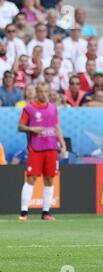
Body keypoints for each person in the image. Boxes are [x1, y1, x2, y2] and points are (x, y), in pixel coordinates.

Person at [18, 82, 67, 221]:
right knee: (31, 178)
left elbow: (57, 127)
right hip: (36, 148)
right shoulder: (29, 108)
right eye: (41, 91)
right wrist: (32, 129)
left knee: (50, 179)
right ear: (37, 92)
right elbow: (20, 126)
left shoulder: (53, 108)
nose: (43, 94)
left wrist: (63, 144)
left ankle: (46, 212)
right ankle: (24, 212)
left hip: (51, 148)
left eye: (46, 91)